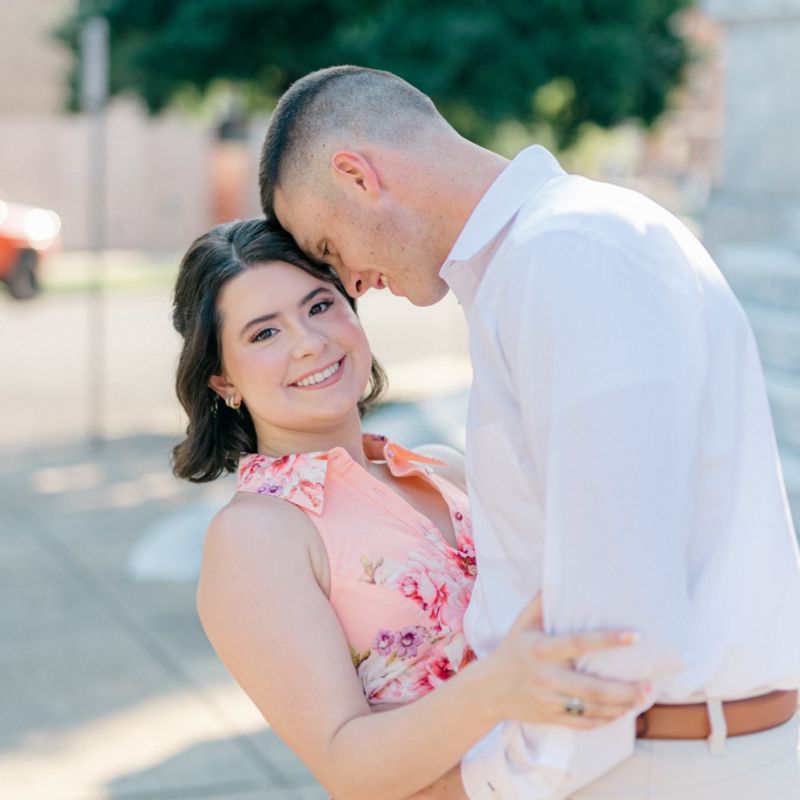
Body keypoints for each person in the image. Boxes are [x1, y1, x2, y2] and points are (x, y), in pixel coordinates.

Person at [258, 66, 800, 798]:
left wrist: (480, 785)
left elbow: (615, 631)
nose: (350, 282)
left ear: (357, 175)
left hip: (653, 765)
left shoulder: (567, 254)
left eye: (329, 248)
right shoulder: (547, 256)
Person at [170, 218, 645, 800]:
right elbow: (348, 768)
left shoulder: (443, 469)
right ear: (224, 382)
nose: (309, 342)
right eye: (264, 333)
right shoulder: (256, 535)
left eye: (319, 306)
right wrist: (498, 687)